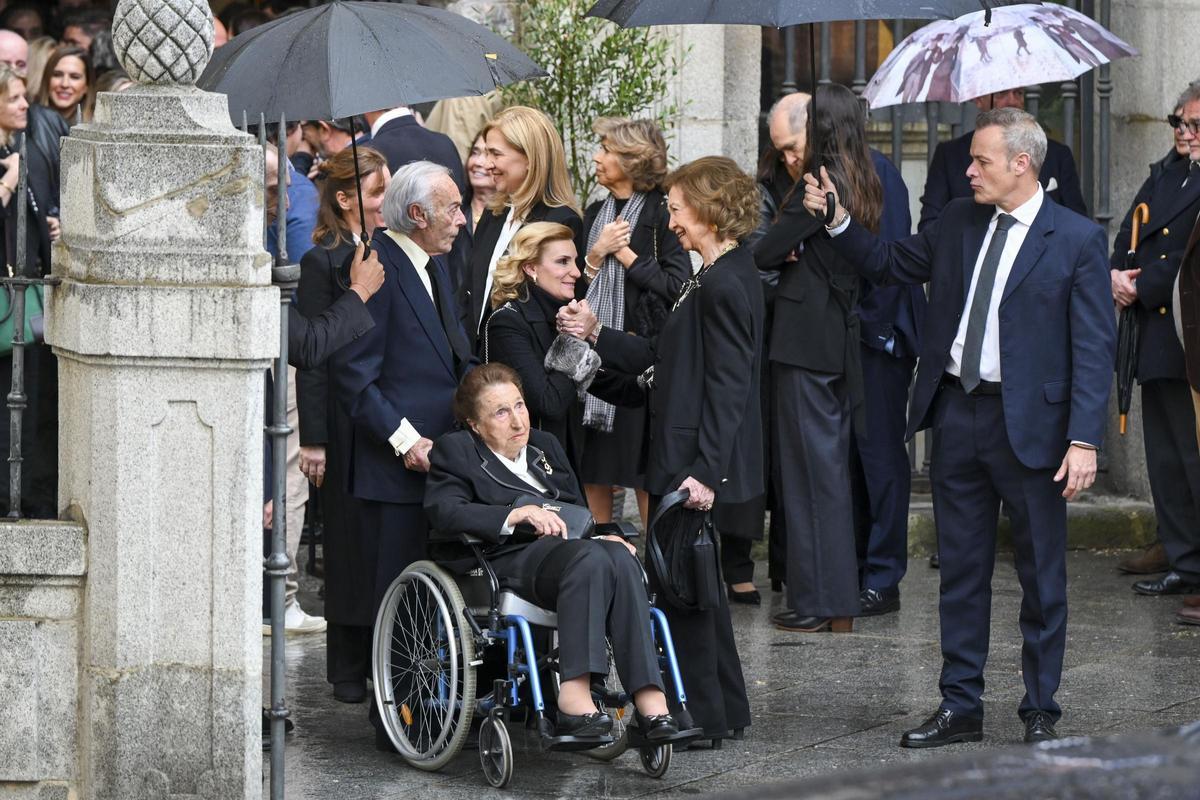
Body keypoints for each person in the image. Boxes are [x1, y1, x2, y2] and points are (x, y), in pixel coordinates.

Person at [803, 107, 1116, 747]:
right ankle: (960, 705)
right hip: (957, 413)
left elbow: (1093, 348)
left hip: (1035, 428)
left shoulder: (1077, 239)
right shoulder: (957, 222)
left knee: (1041, 577)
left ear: (1021, 164)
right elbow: (889, 262)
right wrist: (837, 220)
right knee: (962, 573)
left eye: (981, 161)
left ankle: (1040, 708)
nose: (968, 170)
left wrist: (1084, 439)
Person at [558, 156, 760, 747]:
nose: (670, 221)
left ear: (707, 207)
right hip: (681, 450)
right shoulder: (715, 272)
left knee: (682, 589)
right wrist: (597, 335)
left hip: (690, 460)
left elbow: (729, 384)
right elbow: (666, 356)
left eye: (675, 209)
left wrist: (705, 473)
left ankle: (698, 716)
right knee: (696, 587)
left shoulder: (723, 280)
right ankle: (724, 710)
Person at [424, 363, 687, 742]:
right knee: (591, 558)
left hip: (570, 557)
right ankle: (574, 695)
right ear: (475, 425)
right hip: (503, 560)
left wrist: (602, 537)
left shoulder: (545, 446)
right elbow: (443, 510)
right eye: (500, 412)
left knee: (620, 557)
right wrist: (514, 513)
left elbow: (578, 512)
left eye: (519, 406)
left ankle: (649, 700)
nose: (517, 421)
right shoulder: (458, 451)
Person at [331, 160, 474, 750]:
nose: (462, 221)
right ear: (418, 215)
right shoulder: (377, 267)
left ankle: (428, 706)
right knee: (396, 595)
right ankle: (401, 717)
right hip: (394, 469)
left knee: (426, 594)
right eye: (453, 209)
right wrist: (404, 439)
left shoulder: (431, 265)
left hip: (442, 463)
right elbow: (354, 376)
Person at [753, 84, 878, 633]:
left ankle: (820, 601)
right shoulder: (862, 176)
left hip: (807, 342)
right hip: (829, 340)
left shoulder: (821, 184)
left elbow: (761, 250)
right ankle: (831, 599)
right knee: (822, 473)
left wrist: (788, 241)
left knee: (810, 477)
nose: (788, 154)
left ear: (823, 126)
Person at [296, 145, 392, 702]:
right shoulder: (322, 260)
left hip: (380, 413)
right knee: (346, 544)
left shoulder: (388, 250)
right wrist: (314, 439)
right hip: (339, 418)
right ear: (345, 197)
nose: (385, 202)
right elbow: (312, 357)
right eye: (376, 192)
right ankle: (347, 670)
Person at [1110, 84, 1200, 600]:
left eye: (1194, 125)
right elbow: (1129, 232)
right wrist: (1117, 275)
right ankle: (1184, 560)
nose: (1184, 133)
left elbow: (1186, 255)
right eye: (1178, 123)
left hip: (1187, 334)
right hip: (1154, 335)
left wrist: (1141, 285)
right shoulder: (1165, 173)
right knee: (1165, 459)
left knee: (1191, 456)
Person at [578, 117, 690, 529]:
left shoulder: (664, 214)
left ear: (632, 159)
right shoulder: (594, 214)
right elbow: (575, 287)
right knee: (596, 474)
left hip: (641, 366)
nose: (597, 156)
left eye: (606, 149)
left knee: (645, 478)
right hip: (595, 364)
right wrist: (595, 254)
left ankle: (657, 580)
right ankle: (605, 569)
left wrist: (625, 257)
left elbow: (679, 285)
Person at [0, 62, 67, 518]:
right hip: (8, 297)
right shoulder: (14, 160)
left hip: (26, 296)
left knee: (30, 403)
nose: (26, 105)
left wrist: (48, 227)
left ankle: (26, 495)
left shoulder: (23, 149)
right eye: (14, 99)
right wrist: (8, 179)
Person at [466, 105, 583, 341]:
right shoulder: (494, 212)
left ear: (529, 159)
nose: (487, 163)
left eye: (496, 154)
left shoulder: (561, 220)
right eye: (486, 153)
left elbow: (558, 310)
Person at [919, 87, 1088, 231]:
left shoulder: (1056, 154)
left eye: (1018, 93)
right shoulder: (950, 154)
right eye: (1001, 94)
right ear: (979, 99)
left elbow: (1076, 223)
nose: (1012, 101)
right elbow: (930, 226)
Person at [35, 44, 91, 124]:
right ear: (47, 79)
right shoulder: (27, 121)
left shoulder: (96, 127)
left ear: (87, 86)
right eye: (57, 75)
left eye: (74, 77)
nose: (64, 84)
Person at [464, 128, 496, 234]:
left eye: (488, 154)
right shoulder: (454, 209)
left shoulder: (510, 219)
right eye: (475, 153)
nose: (478, 162)